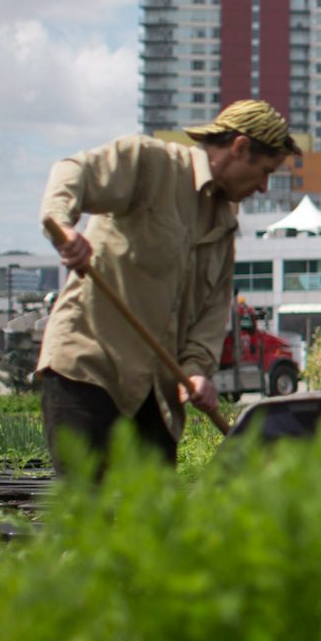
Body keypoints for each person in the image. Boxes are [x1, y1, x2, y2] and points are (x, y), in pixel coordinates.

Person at [36, 101, 296, 475]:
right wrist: (62, 228)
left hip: (155, 391)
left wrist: (196, 371)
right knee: (88, 513)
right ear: (239, 148)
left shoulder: (224, 225)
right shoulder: (150, 163)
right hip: (89, 369)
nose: (262, 186)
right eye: (264, 171)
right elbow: (72, 171)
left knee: (154, 518)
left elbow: (211, 314)